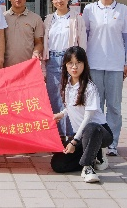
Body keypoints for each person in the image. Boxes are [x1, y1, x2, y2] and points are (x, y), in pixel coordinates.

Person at [83, 0, 127, 157]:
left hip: (115, 65)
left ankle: (112, 143)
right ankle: (95, 142)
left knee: (114, 107)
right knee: (95, 106)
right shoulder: (89, 9)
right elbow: (84, 36)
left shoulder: (122, 10)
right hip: (93, 64)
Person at [50, 46, 113, 184]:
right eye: (70, 63)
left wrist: (74, 141)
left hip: (99, 132)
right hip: (82, 135)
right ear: (65, 65)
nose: (74, 67)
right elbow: (73, 106)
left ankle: (88, 167)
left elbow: (87, 118)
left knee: (91, 127)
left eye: (78, 62)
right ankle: (94, 155)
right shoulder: (67, 84)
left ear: (84, 64)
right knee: (58, 164)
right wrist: (62, 114)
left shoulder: (90, 87)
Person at [43, 0, 86, 141]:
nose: (59, 1)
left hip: (70, 60)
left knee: (70, 96)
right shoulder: (48, 19)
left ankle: (72, 134)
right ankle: (58, 135)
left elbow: (82, 42)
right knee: (54, 97)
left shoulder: (76, 18)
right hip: (52, 60)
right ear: (52, 1)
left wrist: (80, 63)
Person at [3, 0, 44, 67]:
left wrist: (36, 52)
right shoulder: (2, 18)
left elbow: (39, 43)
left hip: (28, 67)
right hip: (6, 67)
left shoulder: (36, 19)